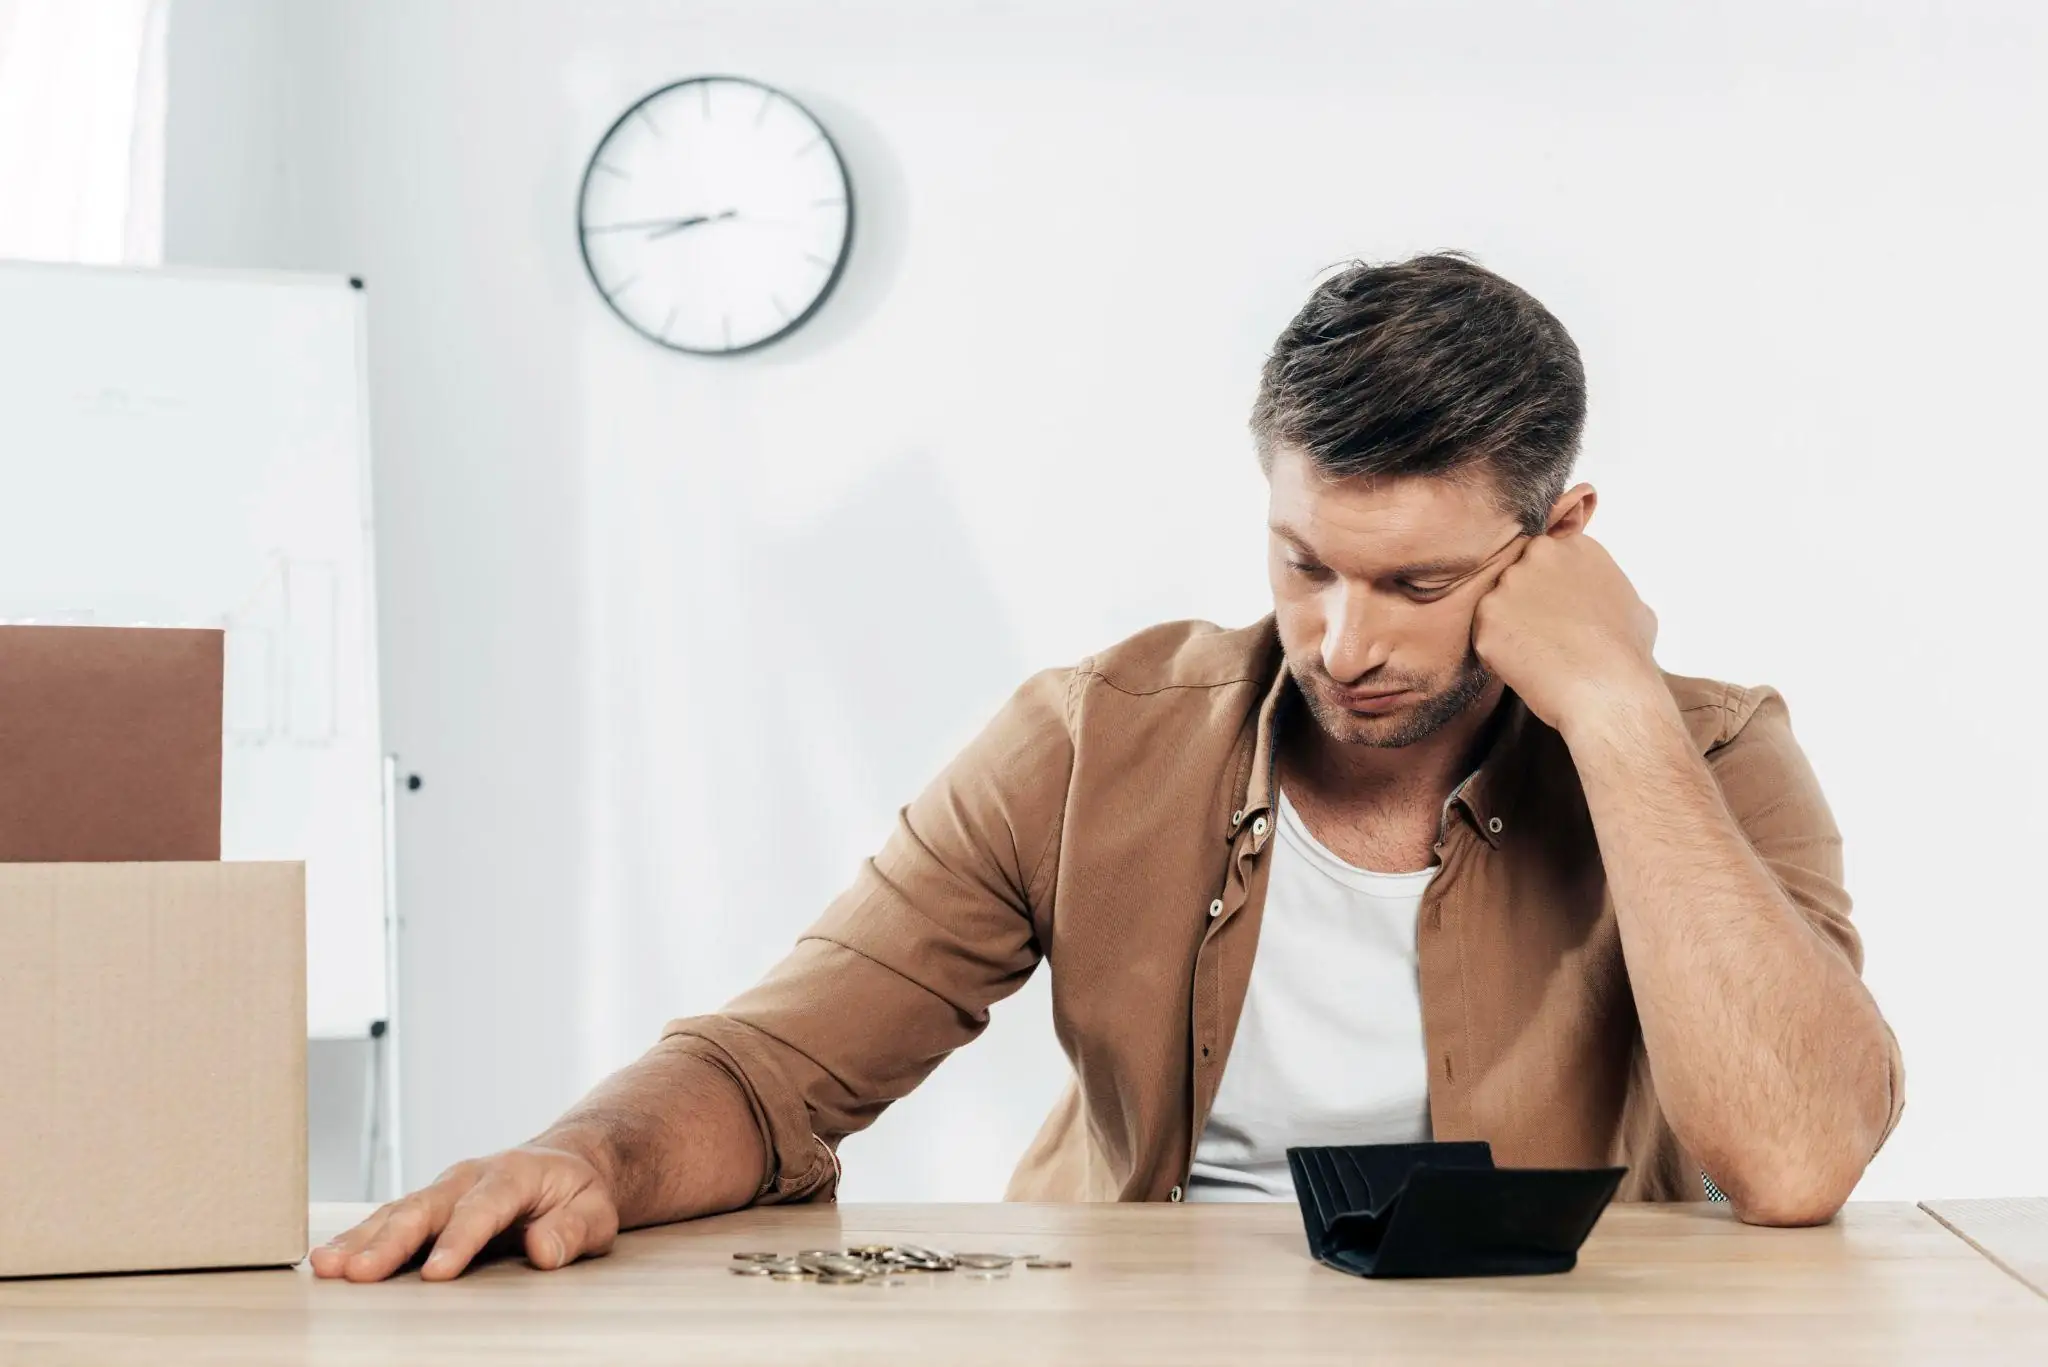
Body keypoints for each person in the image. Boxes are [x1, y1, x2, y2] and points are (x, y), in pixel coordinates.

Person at [314, 253, 1903, 1283]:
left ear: (1558, 541)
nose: (1342, 641)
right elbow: (777, 1066)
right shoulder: (1097, 735)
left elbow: (1796, 1155)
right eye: (1303, 563)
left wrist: (1614, 713)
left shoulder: (1708, 750)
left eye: (1419, 587)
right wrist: (583, 1152)